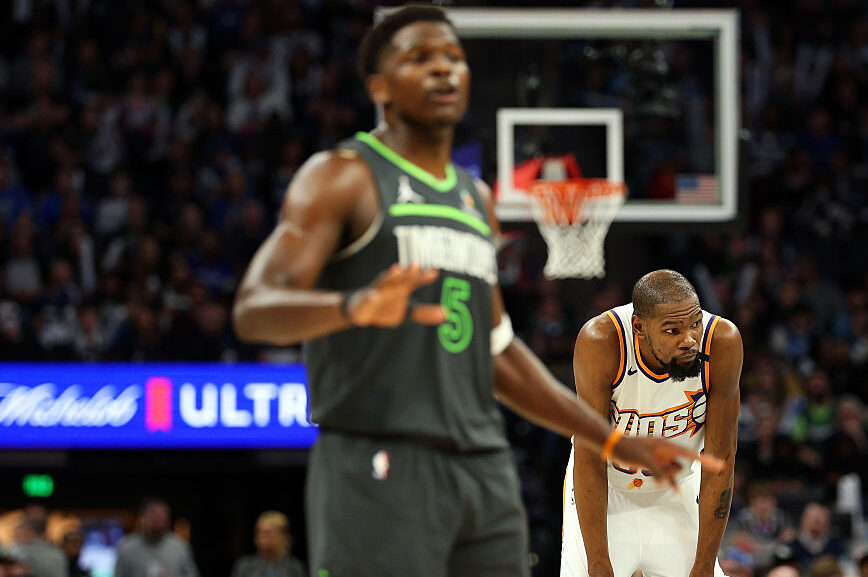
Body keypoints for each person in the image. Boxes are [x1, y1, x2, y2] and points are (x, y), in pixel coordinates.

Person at [231, 6, 721, 577]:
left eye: (453, 58)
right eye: (420, 59)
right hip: (379, 452)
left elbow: (498, 353)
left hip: (482, 461)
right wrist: (354, 306)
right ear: (381, 88)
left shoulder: (475, 199)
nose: (444, 71)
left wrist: (615, 441)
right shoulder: (343, 176)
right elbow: (254, 310)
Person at [560, 270, 743, 577]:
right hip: (607, 490)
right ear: (639, 327)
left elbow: (720, 462)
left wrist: (704, 566)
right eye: (672, 331)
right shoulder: (602, 341)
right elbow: (588, 456)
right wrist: (598, 563)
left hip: (678, 489)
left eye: (695, 324)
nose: (689, 340)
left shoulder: (722, 342)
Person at [113, 497, 200, 577]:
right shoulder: (127, 547)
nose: (159, 525)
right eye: (155, 518)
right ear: (142, 518)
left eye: (163, 519)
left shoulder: (180, 547)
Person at [229, 511, 305, 577]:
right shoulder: (245, 567)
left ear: (282, 536)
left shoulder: (295, 568)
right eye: (258, 532)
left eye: (267, 533)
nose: (261, 537)